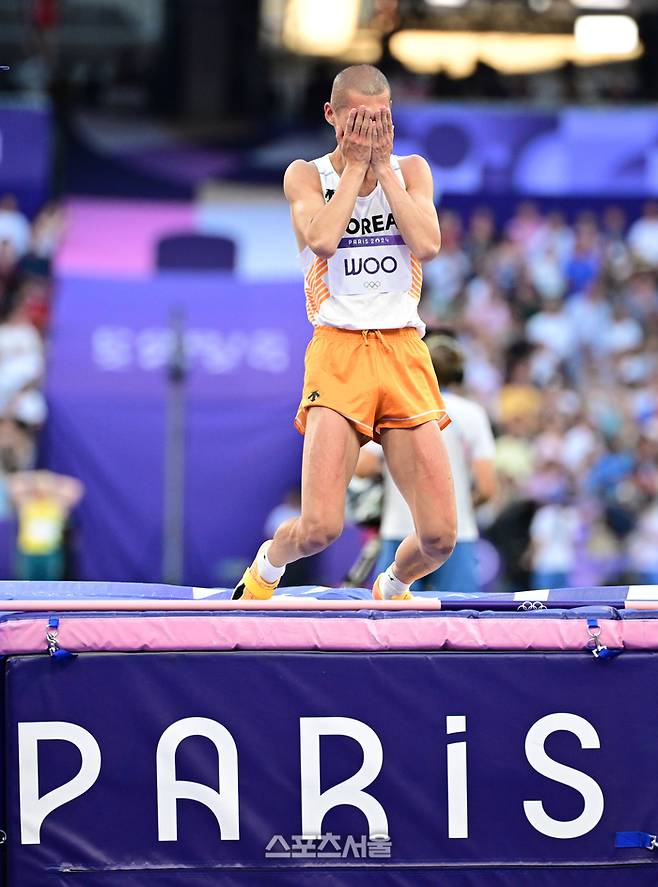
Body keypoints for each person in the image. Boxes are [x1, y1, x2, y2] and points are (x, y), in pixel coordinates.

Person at [233, 64, 456, 602]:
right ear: (331, 115)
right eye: (357, 120)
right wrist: (357, 169)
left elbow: (426, 244)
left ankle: (392, 582)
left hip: (403, 348)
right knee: (319, 529)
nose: (369, 132)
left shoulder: (414, 169)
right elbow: (324, 239)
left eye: (380, 120)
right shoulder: (306, 175)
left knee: (440, 537)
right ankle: (266, 565)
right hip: (339, 351)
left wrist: (384, 168)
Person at [356, 335, 497, 593]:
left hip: (400, 529)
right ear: (459, 373)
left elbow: (362, 466)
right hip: (457, 534)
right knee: (460, 618)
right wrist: (454, 508)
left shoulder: (398, 409)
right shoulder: (472, 414)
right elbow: (487, 487)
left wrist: (395, 472)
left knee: (393, 620)